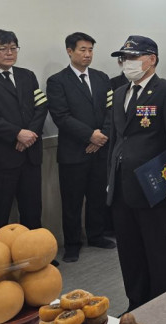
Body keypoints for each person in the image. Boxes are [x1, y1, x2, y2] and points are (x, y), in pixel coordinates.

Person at [107, 35, 166, 311]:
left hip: (153, 183)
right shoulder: (120, 91)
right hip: (122, 184)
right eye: (124, 58)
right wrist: (110, 178)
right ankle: (136, 302)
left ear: (151, 59)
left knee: (156, 249)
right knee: (128, 250)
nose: (127, 63)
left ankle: (159, 306)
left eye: (133, 57)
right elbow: (117, 138)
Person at [46, 32, 115, 263]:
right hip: (73, 152)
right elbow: (61, 116)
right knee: (72, 201)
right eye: (82, 50)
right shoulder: (57, 81)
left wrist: (101, 136)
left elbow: (111, 110)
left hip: (100, 149)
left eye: (90, 50)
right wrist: (89, 136)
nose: (87, 54)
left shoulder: (102, 78)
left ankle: (96, 235)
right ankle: (72, 244)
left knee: (97, 196)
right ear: (70, 51)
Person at [0, 30, 48, 238]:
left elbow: (41, 106)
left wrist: (29, 135)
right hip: (1, 158)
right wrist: (17, 134)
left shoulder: (27, 75)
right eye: (2, 48)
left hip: (30, 155)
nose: (9, 53)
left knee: (33, 211)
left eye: (13, 48)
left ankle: (35, 253)